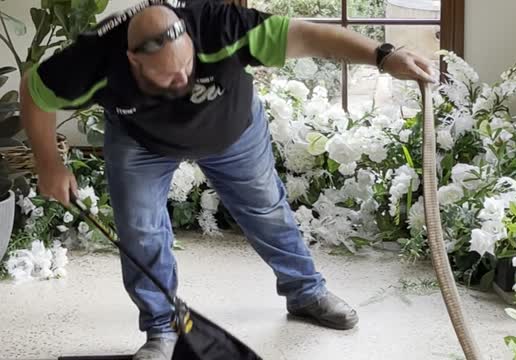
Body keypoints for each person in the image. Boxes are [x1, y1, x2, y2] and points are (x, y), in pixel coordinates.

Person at [19, 0, 436, 359]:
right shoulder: (91, 61)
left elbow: (310, 36)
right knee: (140, 230)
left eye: (187, 65)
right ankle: (161, 327)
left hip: (232, 132)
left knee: (267, 210)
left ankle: (306, 292)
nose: (182, 79)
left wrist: (383, 56)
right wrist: (48, 163)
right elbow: (35, 92)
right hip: (141, 143)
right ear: (133, 61)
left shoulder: (221, 26)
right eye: (167, 75)